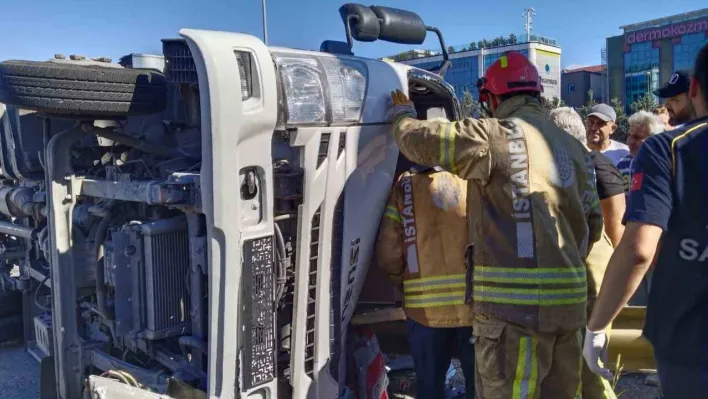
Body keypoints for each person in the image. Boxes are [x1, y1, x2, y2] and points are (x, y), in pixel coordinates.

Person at [388, 51, 604, 399]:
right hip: (570, 312)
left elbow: (423, 142)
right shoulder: (572, 147)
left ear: (491, 98)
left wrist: (401, 118)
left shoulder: (493, 136)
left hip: (513, 319)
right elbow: (593, 225)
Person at [584, 43, 708, 399]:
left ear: (695, 88)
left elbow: (639, 250)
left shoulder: (668, 148)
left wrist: (597, 326)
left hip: (691, 345)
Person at [375, 165, 475, 399]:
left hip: (424, 313)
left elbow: (388, 253)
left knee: (429, 388)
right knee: (480, 387)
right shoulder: (472, 178)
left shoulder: (406, 185)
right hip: (473, 307)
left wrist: (407, 283)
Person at [550, 107, 622, 399]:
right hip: (580, 271)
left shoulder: (596, 166)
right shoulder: (576, 165)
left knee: (592, 367)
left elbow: (615, 227)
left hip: (594, 271)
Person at [616, 111, 665, 195]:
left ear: (654, 139)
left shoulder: (666, 165)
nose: (629, 141)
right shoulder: (623, 164)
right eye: (629, 135)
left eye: (637, 137)